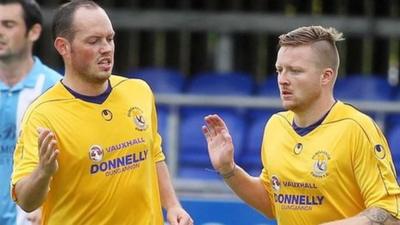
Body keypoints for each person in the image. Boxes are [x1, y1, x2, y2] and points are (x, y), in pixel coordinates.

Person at [11, 1, 192, 225]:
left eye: (110, 38)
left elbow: (154, 156)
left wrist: (173, 205)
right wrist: (44, 172)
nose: (106, 48)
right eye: (93, 41)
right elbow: (26, 201)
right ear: (63, 47)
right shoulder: (43, 115)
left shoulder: (138, 91)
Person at [202, 26, 400, 225]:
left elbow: (390, 214)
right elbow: (271, 203)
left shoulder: (357, 128)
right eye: (280, 70)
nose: (283, 80)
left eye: (295, 71)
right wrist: (229, 170)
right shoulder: (276, 126)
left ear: (326, 76)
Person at [0, 0, 61, 225]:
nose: (0, 32)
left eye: (8, 24)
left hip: (33, 219)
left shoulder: (57, 89)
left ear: (34, 31)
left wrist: (43, 205)